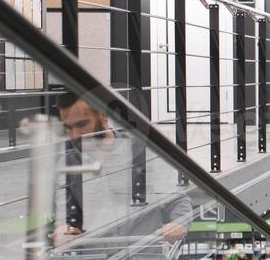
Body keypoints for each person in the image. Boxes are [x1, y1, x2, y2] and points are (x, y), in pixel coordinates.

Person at [52, 91, 193, 246]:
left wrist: (178, 225)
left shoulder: (143, 152)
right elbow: (66, 217)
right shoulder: (69, 164)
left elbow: (177, 200)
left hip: (145, 259)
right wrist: (62, 230)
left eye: (82, 124)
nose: (74, 135)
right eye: (68, 127)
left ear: (103, 116)